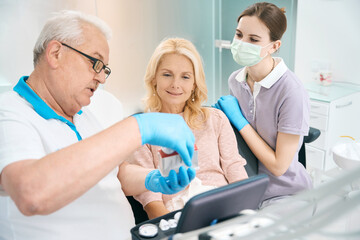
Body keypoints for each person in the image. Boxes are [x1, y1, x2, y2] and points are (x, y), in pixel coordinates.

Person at [0, 10, 197, 240]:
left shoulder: (99, 106)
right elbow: (30, 193)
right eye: (95, 63)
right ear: (55, 53)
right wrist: (138, 127)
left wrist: (152, 179)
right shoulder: (9, 113)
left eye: (105, 69)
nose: (102, 78)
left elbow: (116, 172)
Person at [127, 38, 248, 219]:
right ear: (154, 79)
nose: (176, 84)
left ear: (194, 84)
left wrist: (246, 216)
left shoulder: (215, 119)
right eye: (167, 75)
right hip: (179, 215)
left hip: (223, 207)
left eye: (185, 77)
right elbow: (151, 202)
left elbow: (235, 170)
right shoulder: (143, 129)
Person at [214, 2, 312, 208]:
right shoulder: (235, 80)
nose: (241, 43)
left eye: (253, 39)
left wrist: (240, 122)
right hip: (247, 185)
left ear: (274, 46)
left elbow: (278, 167)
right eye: (239, 35)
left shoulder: (291, 91)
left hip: (285, 194)